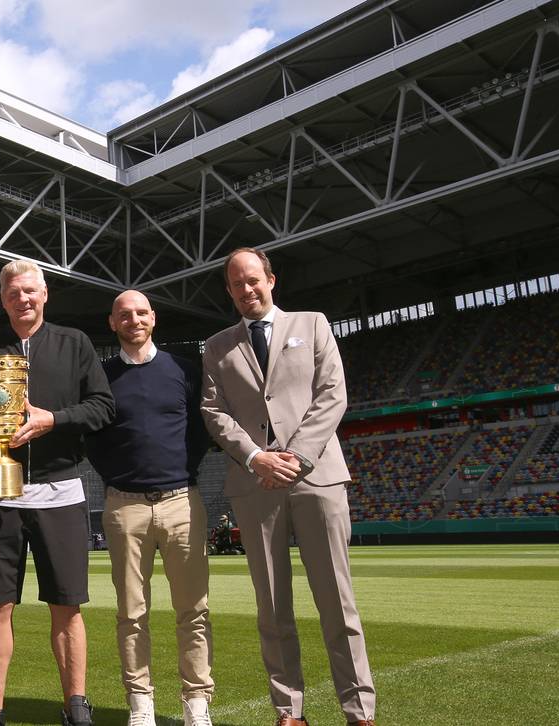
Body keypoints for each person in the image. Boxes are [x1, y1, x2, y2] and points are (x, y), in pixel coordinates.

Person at [199, 247, 376, 726]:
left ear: (271, 280)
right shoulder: (216, 346)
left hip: (316, 476)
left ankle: (359, 710)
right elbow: (214, 412)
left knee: (337, 601)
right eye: (236, 284)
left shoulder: (314, 324)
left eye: (252, 279)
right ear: (230, 290)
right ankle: (289, 711)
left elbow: (332, 394)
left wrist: (295, 457)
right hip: (255, 481)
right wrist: (258, 457)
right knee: (272, 605)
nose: (245, 289)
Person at [0, 259, 115, 726]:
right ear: (3, 299)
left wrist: (53, 419)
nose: (22, 299)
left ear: (45, 295)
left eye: (30, 291)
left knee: (66, 605)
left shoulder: (75, 343)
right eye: (13, 292)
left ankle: (76, 704)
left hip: (60, 490)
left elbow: (103, 407)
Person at [87, 290, 214, 726]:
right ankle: (141, 705)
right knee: (131, 613)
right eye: (125, 314)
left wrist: (183, 469)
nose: (134, 320)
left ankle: (197, 703)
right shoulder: (101, 377)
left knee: (193, 610)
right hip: (124, 506)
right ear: (112, 322)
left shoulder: (184, 369)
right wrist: (117, 476)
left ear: (153, 318)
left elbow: (201, 429)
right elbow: (93, 438)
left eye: (141, 312)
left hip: (181, 501)